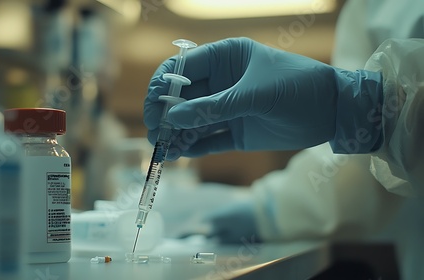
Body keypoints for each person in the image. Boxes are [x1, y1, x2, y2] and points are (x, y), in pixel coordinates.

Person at [143, 0, 424, 279]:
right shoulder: (370, 7)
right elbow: (360, 165)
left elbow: (361, 171)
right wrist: (365, 110)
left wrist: (358, 105)